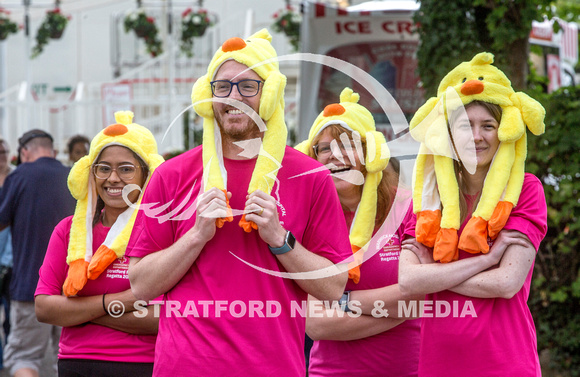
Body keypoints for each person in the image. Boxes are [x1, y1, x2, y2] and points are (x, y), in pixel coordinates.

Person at [126, 29, 351, 376]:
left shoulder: (311, 176)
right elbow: (140, 285)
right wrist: (196, 235)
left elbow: (334, 288)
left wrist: (281, 240)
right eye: (223, 86)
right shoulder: (171, 175)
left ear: (270, 93)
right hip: (185, 367)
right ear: (208, 94)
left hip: (273, 367)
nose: (234, 96)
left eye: (248, 86)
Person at [399, 52, 547, 376]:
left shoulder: (526, 190)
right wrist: (486, 259)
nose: (476, 136)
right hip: (437, 364)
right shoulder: (428, 194)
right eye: (465, 126)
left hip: (505, 362)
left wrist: (436, 273)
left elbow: (506, 283)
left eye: (488, 126)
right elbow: (409, 279)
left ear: (505, 131)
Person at [296, 88, 420, 376]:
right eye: (324, 148)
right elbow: (316, 324)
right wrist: (396, 311)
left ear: (369, 151)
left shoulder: (406, 207)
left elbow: (419, 296)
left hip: (409, 369)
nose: (334, 155)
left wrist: (343, 302)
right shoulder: (309, 220)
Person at [35, 112, 163, 377]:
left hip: (141, 364)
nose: (113, 178)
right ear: (90, 173)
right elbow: (45, 308)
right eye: (103, 168)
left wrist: (78, 311)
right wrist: (120, 301)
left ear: (147, 174)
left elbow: (160, 318)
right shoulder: (68, 230)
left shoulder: (162, 233)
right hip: (76, 363)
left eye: (126, 169)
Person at [0, 129, 76, 377]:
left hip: (30, 287)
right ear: (53, 151)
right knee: (65, 358)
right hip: (73, 289)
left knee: (23, 357)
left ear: (24, 152)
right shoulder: (72, 176)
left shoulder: (19, 177)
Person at [0, 139, 14, 370]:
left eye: (3, 152)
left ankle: (9, 360)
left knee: (11, 318)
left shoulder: (16, 178)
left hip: (11, 260)